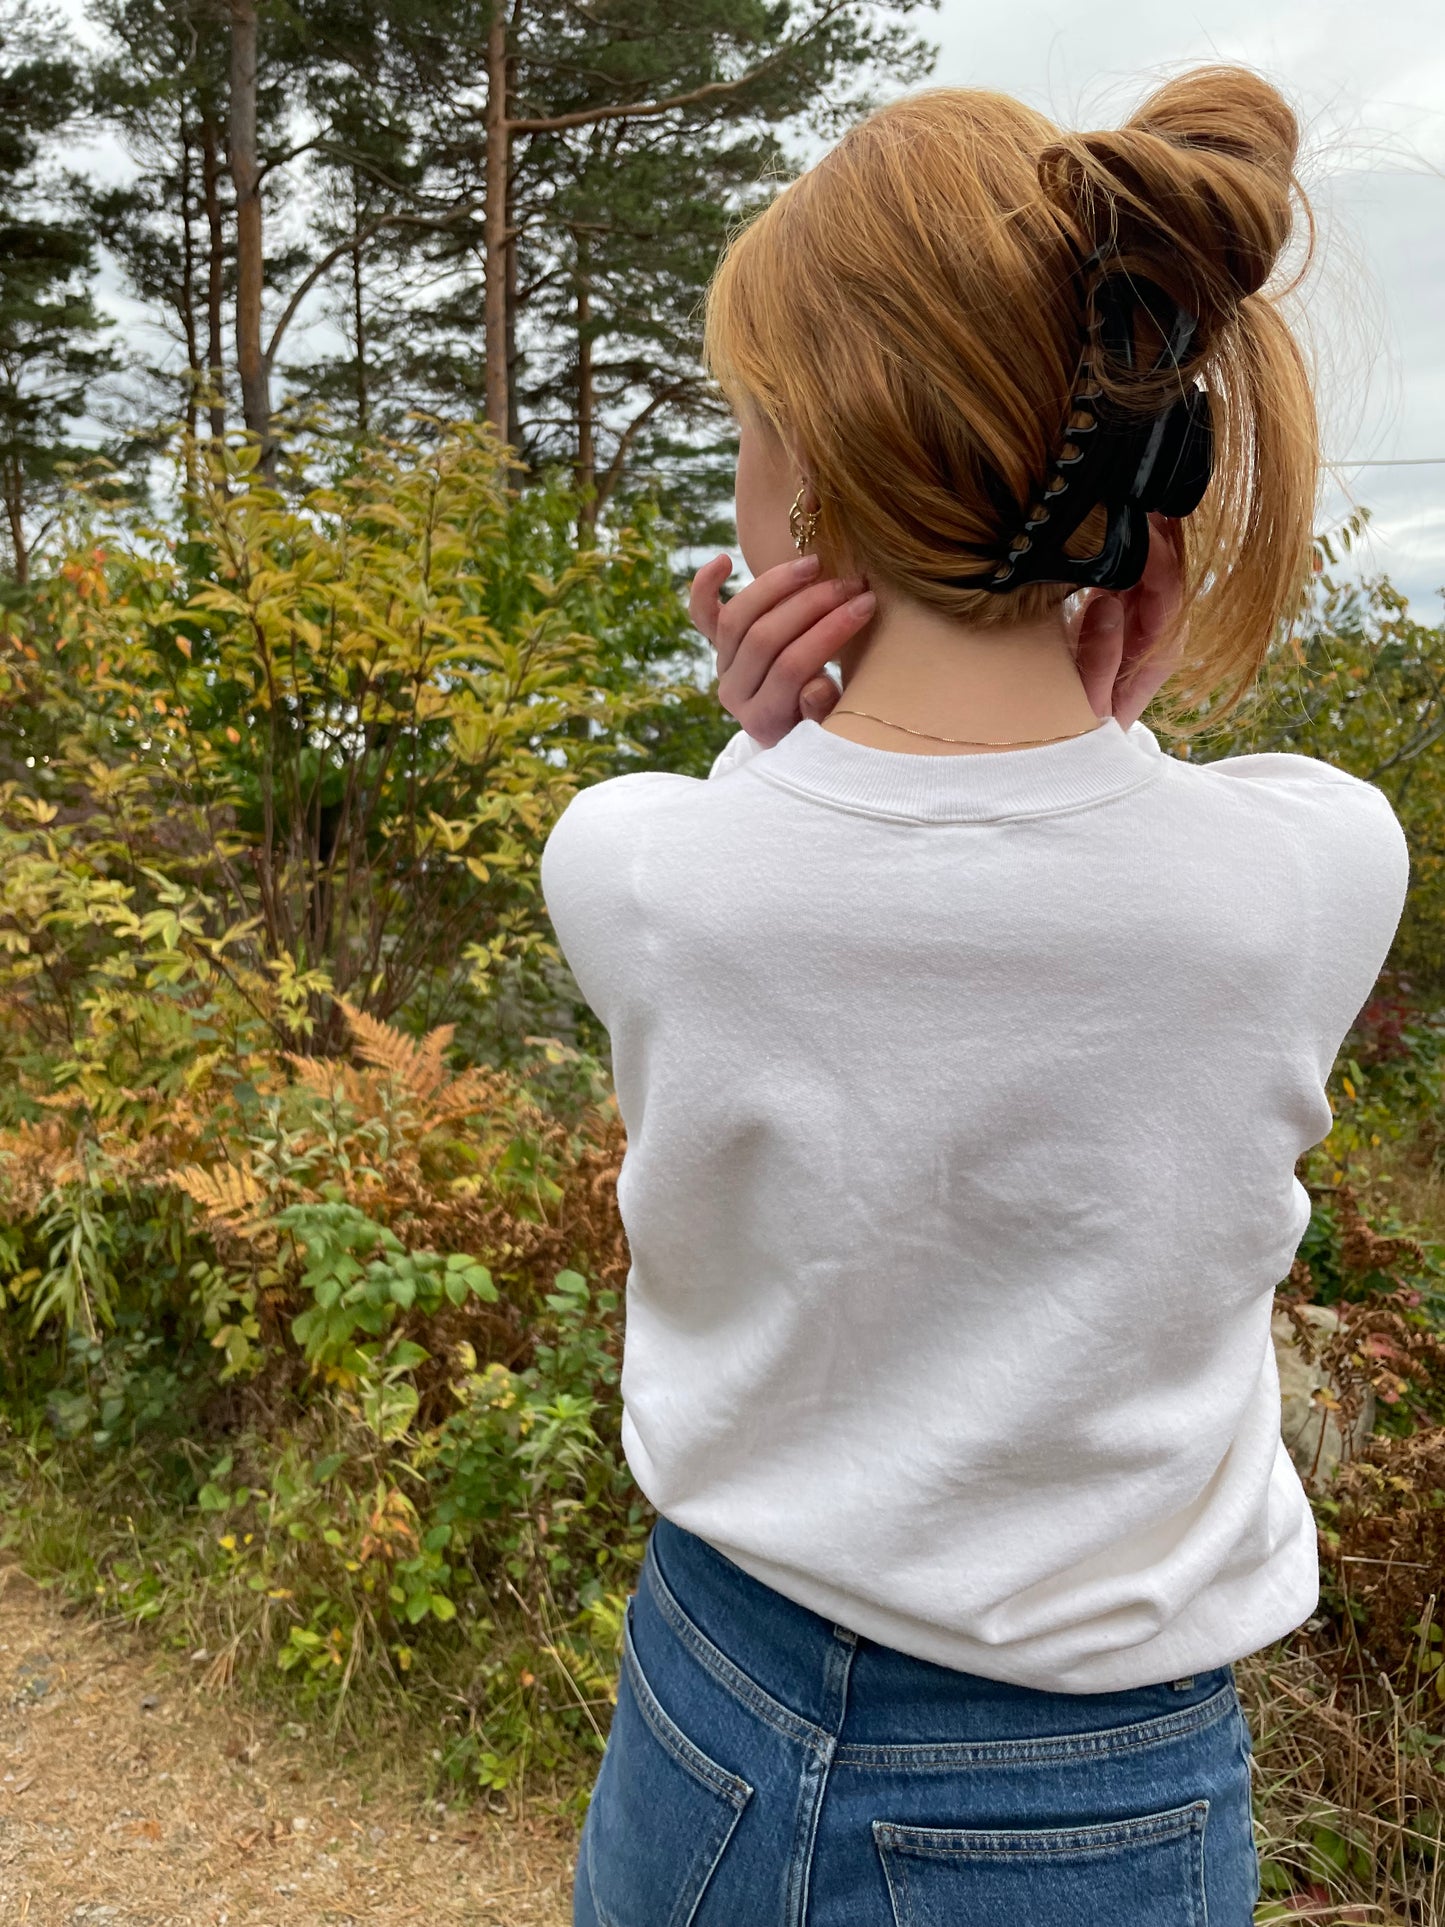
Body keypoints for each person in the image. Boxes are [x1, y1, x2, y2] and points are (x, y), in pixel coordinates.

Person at [540, 64, 1410, 1927]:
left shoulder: (643, 865)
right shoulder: (1309, 873)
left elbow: (787, 881)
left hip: (711, 1691)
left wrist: (770, 747)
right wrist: (1113, 701)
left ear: (808, 469)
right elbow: (1112, 842)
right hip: (1097, 1778)